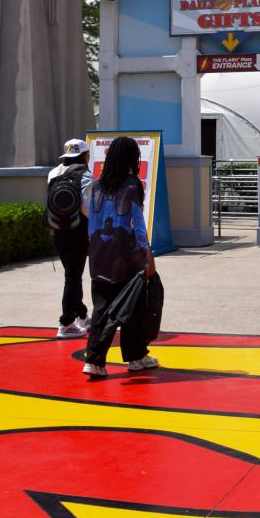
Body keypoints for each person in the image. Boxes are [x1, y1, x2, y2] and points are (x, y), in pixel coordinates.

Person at [81, 136, 157, 379]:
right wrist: (147, 253)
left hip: (99, 254)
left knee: (102, 308)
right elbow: (138, 223)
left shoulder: (96, 186)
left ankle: (96, 361)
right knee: (133, 306)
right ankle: (134, 357)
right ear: (131, 159)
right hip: (127, 256)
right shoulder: (132, 186)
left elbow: (91, 221)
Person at [47, 138, 92, 338]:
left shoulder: (54, 173)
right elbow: (87, 209)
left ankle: (81, 315)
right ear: (84, 155)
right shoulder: (85, 175)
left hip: (57, 231)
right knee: (72, 277)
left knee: (72, 275)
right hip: (77, 232)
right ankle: (66, 323)